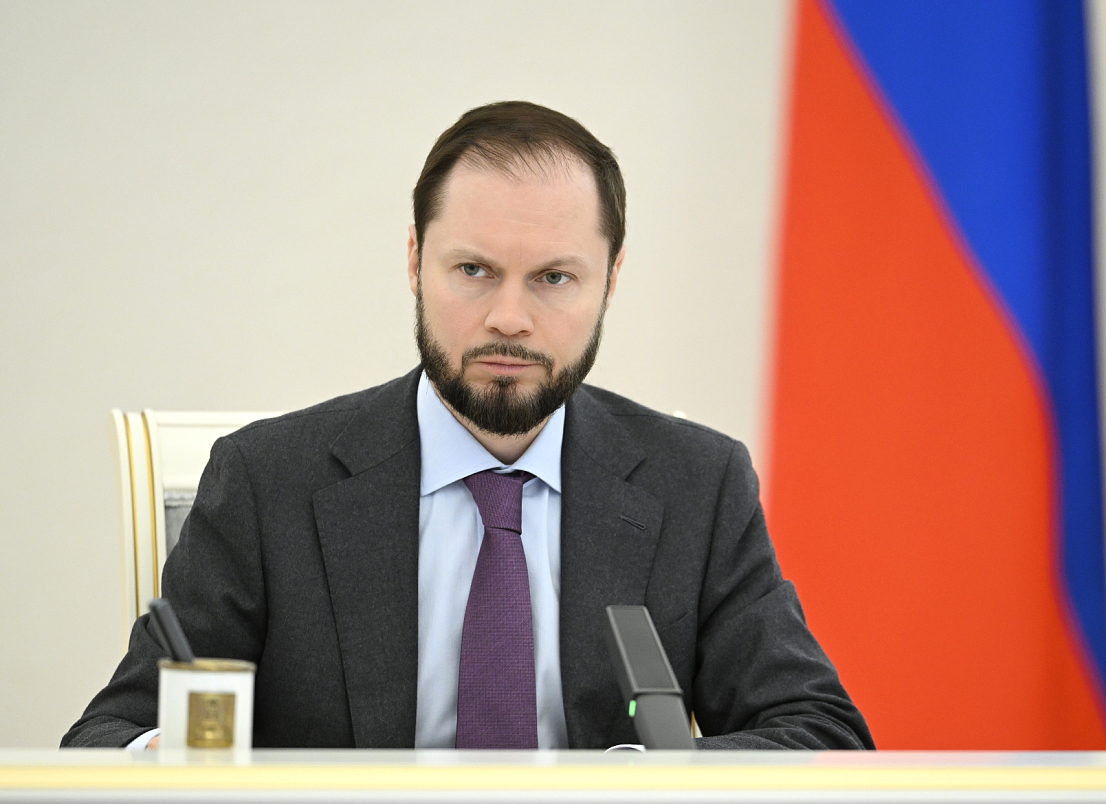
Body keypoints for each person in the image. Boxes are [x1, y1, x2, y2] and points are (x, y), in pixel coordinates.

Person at [63, 101, 872, 750]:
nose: (509, 318)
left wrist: (633, 789)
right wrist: (188, 765)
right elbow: (110, 737)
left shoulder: (697, 485)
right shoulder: (267, 480)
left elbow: (820, 733)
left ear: (611, 280)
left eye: (554, 277)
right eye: (474, 270)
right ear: (415, 261)